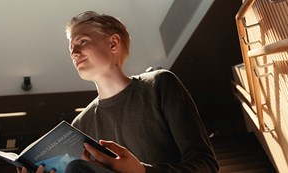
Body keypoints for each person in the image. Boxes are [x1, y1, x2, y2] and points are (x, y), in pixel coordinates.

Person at [19, 11, 219, 173]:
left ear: (113, 43)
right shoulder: (80, 124)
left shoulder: (159, 85)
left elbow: (206, 165)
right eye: (71, 48)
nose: (73, 53)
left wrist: (142, 172)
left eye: (82, 41)